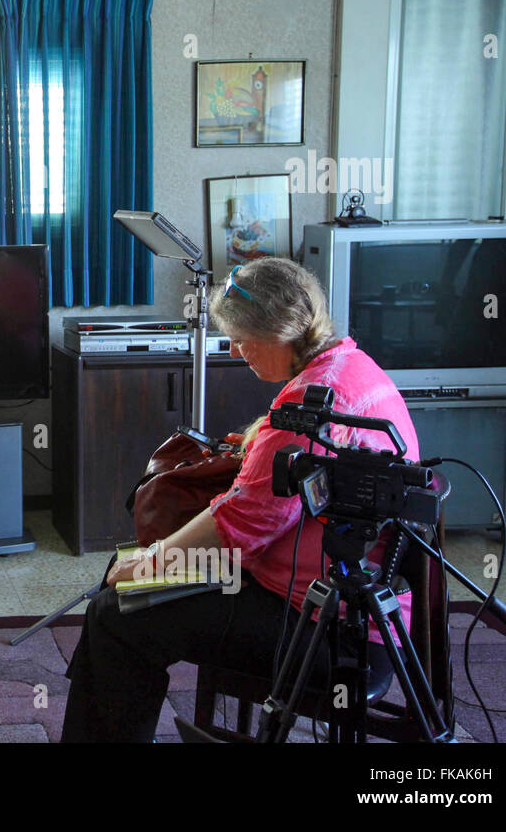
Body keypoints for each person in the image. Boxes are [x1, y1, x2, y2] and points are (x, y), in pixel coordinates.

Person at [61, 257, 420, 742]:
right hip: (351, 611)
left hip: (326, 632)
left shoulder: (306, 409)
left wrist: (149, 564)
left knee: (117, 614)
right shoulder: (352, 364)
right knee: (124, 586)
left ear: (281, 331)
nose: (234, 348)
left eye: (242, 336)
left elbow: (237, 531)